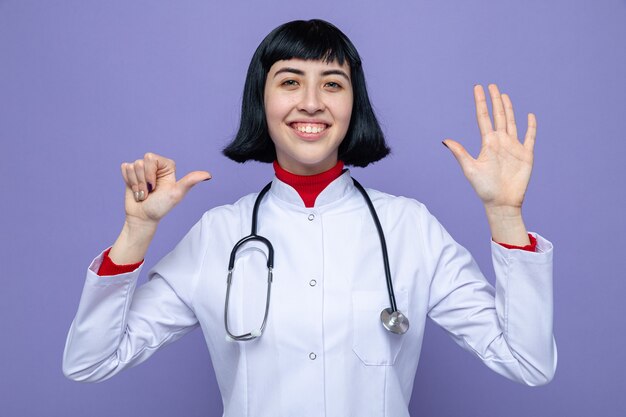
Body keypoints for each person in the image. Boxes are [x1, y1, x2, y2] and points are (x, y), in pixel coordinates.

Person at [63, 19, 556, 417]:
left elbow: (527, 363)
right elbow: (91, 362)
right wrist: (137, 232)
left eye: (333, 84)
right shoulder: (218, 235)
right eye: (290, 81)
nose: (312, 102)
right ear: (262, 99)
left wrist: (504, 213)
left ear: (352, 103)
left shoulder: (410, 228)